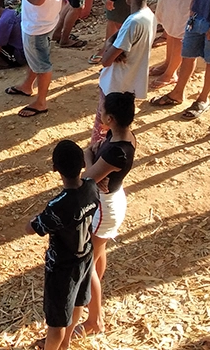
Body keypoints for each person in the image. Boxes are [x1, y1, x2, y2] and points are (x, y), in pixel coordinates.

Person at [25, 140, 100, 350]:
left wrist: (32, 220)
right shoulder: (92, 188)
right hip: (85, 258)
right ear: (82, 165)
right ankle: (65, 345)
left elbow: (33, 228)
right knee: (76, 303)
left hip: (62, 268)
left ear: (54, 168)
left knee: (56, 323)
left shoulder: (58, 205)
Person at [79, 92, 137, 337]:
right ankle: (95, 295)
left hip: (104, 207)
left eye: (102, 111)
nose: (99, 114)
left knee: (85, 264)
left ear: (110, 118)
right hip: (111, 199)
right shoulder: (124, 135)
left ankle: (94, 320)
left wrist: (87, 156)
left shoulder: (116, 151)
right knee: (98, 253)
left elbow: (87, 177)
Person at [7, 0, 68, 117]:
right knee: (35, 57)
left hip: (38, 24)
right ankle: (27, 85)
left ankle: (41, 102)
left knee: (42, 63)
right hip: (47, 19)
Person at [92, 0, 157, 144]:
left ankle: (99, 161)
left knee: (102, 128)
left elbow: (106, 60)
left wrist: (108, 46)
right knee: (120, 127)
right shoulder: (150, 15)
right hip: (131, 82)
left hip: (115, 82)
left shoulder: (133, 21)